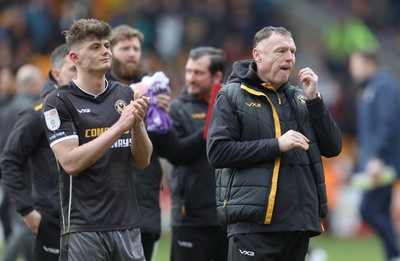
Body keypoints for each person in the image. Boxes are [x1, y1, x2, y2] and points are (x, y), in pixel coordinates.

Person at [206, 26, 342, 261]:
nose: (289, 58)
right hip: (254, 226)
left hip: (298, 226)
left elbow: (333, 147)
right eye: (281, 51)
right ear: (257, 55)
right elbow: (217, 152)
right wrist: (276, 145)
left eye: (292, 51)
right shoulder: (231, 95)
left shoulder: (301, 98)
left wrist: (314, 101)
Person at [42, 18, 152, 261]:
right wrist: (119, 126)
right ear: (74, 58)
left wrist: (137, 124)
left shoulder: (124, 93)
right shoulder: (58, 101)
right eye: (95, 47)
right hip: (84, 227)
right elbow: (70, 162)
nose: (105, 51)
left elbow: (143, 160)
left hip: (127, 224)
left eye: (106, 45)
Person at [0, 43, 76, 261]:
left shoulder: (87, 111)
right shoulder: (38, 113)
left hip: (87, 219)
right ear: (56, 74)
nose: (79, 75)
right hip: (50, 218)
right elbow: (9, 160)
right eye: (72, 69)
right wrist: (26, 209)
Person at [107, 24, 176, 261]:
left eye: (136, 48)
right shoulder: (98, 92)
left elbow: (169, 150)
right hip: (106, 205)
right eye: (124, 48)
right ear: (110, 52)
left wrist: (162, 118)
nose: (132, 53)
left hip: (143, 200)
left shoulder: (154, 91)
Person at [168, 46, 228, 261]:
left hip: (228, 216)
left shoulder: (230, 107)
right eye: (188, 71)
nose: (191, 78)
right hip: (191, 218)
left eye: (198, 73)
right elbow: (175, 152)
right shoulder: (177, 109)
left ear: (217, 76)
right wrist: (208, 131)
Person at [348, 50, 400, 261]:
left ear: (369, 63)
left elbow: (387, 124)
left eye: (355, 63)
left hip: (382, 163)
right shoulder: (368, 88)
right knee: (380, 209)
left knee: (367, 209)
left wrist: (377, 156)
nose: (352, 69)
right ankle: (392, 255)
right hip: (374, 160)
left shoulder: (383, 86)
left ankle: (395, 253)